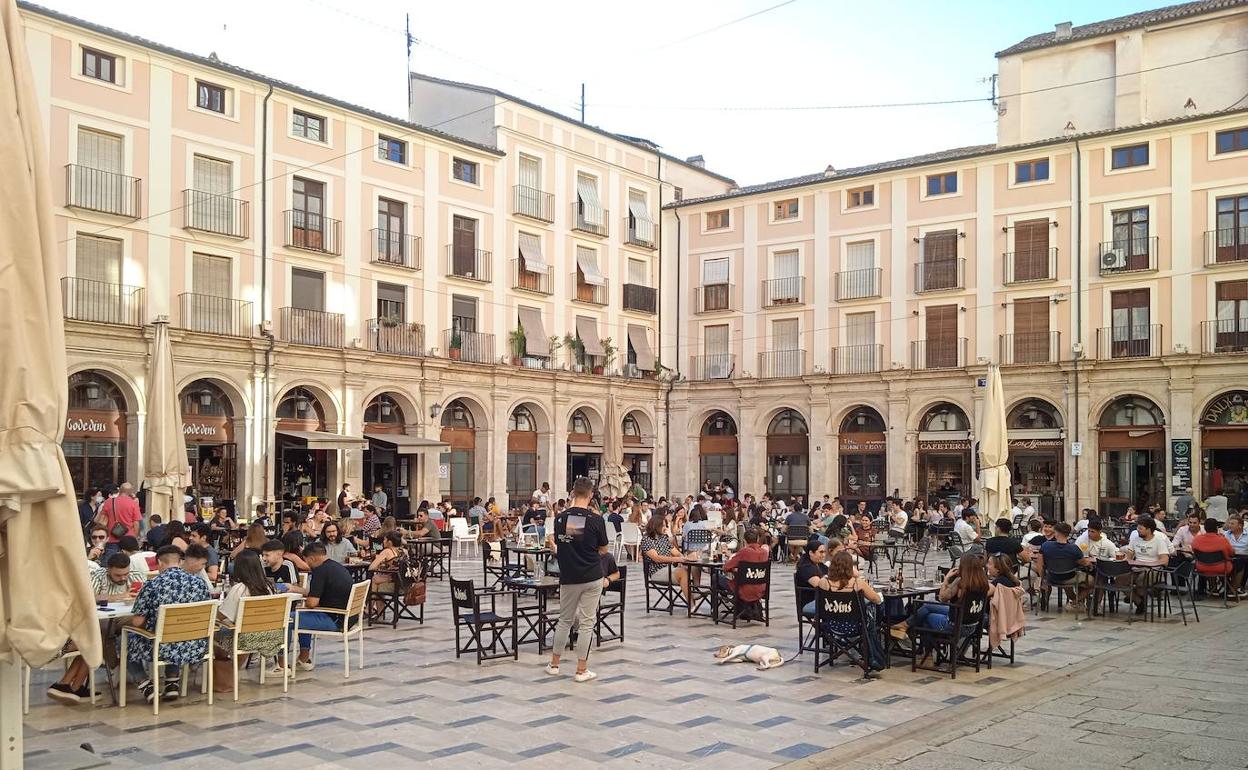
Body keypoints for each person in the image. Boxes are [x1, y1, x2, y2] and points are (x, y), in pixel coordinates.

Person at [47, 552, 144, 704]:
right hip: (90, 626)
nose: (123, 578)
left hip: (122, 618)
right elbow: (87, 597)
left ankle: (67, 684)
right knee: (98, 635)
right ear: (108, 570)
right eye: (118, 575)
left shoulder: (136, 575)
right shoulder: (98, 576)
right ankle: (75, 684)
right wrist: (119, 597)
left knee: (97, 637)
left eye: (126, 574)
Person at [125, 545, 212, 703]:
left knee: (125, 641)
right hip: (195, 645)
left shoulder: (152, 585)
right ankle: (172, 683)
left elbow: (138, 622)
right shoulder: (199, 583)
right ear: (180, 561)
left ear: (159, 562)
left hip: (162, 647)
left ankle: (146, 686)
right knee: (174, 633)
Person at [544, 477, 610, 683]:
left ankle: (554, 664)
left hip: (569, 576)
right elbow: (604, 549)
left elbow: (569, 542)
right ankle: (581, 670)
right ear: (591, 495)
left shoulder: (561, 518)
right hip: (591, 575)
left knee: (564, 620)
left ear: (573, 492)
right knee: (587, 623)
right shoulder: (595, 519)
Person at [215, 550, 286, 678]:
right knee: (241, 629)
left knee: (216, 635)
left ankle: (227, 672)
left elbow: (221, 616)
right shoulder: (270, 586)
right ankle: (233, 670)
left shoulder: (240, 588)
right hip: (271, 637)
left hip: (247, 639)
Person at [285, 541, 355, 671]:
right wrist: (298, 590)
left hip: (334, 620)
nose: (308, 565)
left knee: (286, 619)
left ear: (312, 558)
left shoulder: (320, 571)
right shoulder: (336, 567)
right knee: (303, 615)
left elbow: (312, 603)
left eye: (307, 561)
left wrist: (305, 603)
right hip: (348, 617)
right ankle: (304, 658)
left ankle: (281, 665)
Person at [640, 513, 690, 606]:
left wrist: (682, 558)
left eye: (665, 525)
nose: (666, 528)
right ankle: (692, 602)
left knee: (692, 569)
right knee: (683, 572)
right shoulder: (646, 539)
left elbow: (676, 552)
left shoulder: (664, 538)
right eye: (663, 525)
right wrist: (676, 560)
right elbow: (656, 558)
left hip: (669, 569)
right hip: (656, 572)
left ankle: (693, 594)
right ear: (655, 526)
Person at [1037, 522, 1092, 605]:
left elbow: (1039, 564)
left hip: (1051, 577)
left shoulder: (1045, 545)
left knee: (1069, 583)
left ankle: (1076, 601)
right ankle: (1075, 601)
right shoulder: (1074, 549)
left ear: (1056, 533)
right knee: (1095, 582)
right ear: (1068, 534)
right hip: (1069, 577)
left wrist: (1043, 578)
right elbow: (1084, 563)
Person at [717, 527, 771, 610]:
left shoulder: (744, 552)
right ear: (757, 539)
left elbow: (726, 567)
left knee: (716, 577)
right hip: (761, 589)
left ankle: (717, 608)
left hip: (744, 589)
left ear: (745, 541)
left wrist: (734, 569)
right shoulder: (764, 553)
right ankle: (742, 607)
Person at [100, 484, 142, 553]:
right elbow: (136, 524)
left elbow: (102, 521)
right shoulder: (133, 503)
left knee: (111, 561)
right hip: (129, 538)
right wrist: (135, 537)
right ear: (130, 492)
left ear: (119, 490)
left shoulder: (109, 501)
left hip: (112, 538)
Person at [1224, 514, 1248, 594]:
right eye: (1229, 523)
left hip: (1244, 557)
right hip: (1229, 557)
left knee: (1244, 561)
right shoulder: (1226, 534)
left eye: (1232, 524)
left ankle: (1238, 587)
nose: (1229, 525)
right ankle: (1231, 588)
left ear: (1240, 526)